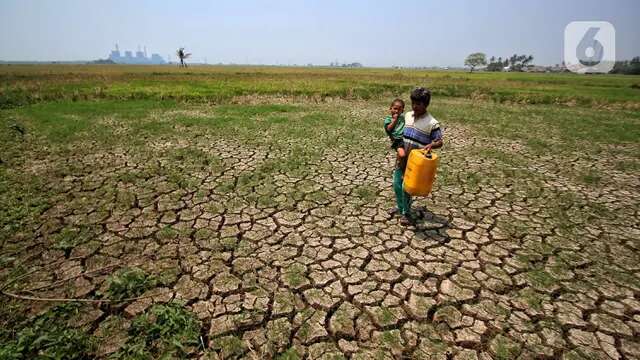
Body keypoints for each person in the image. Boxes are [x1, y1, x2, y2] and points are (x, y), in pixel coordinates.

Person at [395, 87, 444, 225]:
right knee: (397, 185)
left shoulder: (432, 123)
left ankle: (406, 213)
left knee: (408, 187)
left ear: (426, 104)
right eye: (413, 103)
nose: (415, 107)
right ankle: (400, 207)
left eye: (419, 104)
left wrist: (431, 145)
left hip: (416, 163)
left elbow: (439, 141)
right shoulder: (408, 115)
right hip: (402, 157)